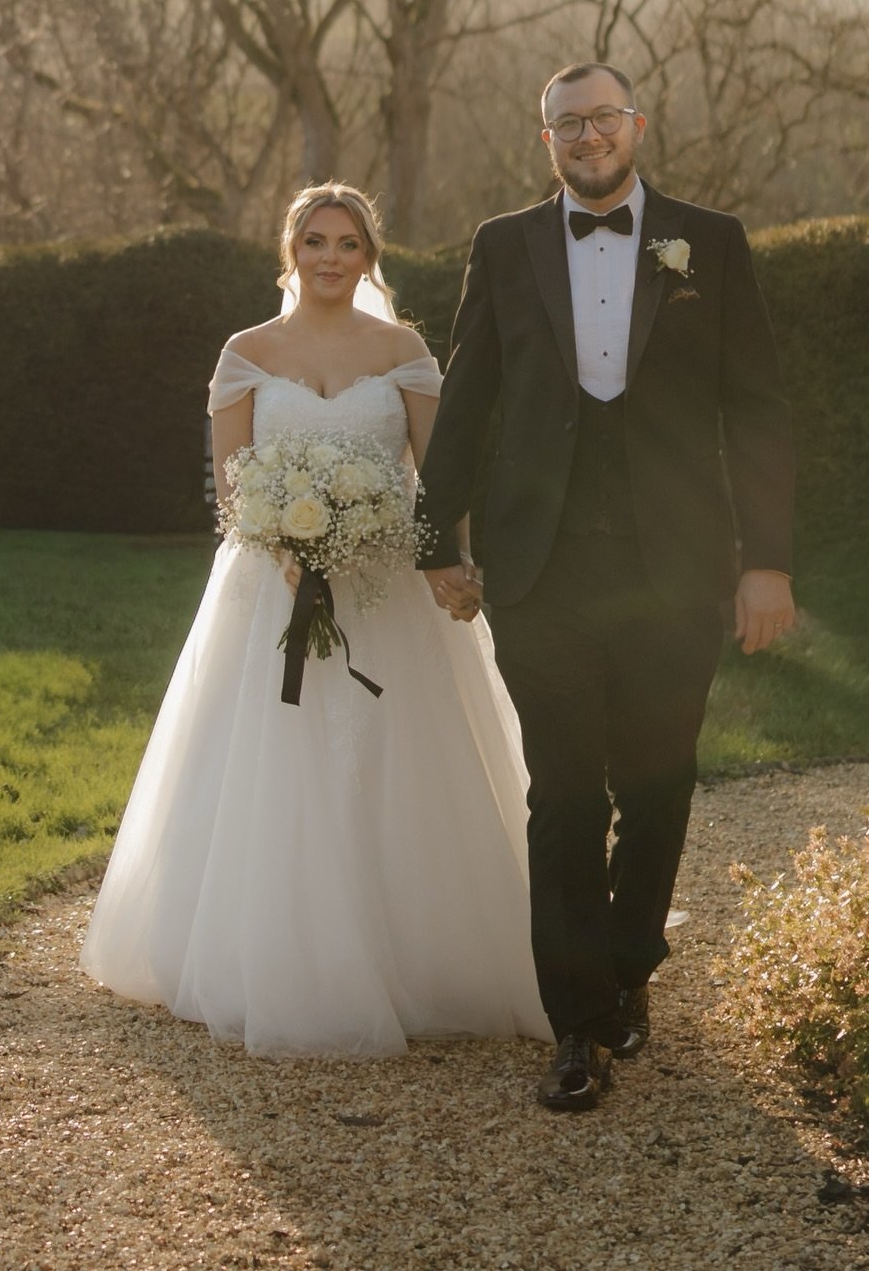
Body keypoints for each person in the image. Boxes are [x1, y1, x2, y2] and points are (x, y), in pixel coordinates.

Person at [80, 183, 550, 1056]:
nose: (331, 258)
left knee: (400, 755)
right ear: (289, 251)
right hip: (271, 583)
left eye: (349, 243)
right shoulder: (246, 352)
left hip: (385, 589)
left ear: (370, 256)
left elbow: (436, 474)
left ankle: (420, 954)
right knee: (273, 755)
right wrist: (289, 552)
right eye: (315, 242)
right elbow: (231, 483)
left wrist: (445, 560)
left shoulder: (403, 348)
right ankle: (278, 955)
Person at [418, 62, 795, 1112]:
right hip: (542, 569)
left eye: (603, 118)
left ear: (636, 125)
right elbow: (469, 398)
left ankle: (630, 960)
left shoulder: (706, 242)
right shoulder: (501, 247)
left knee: (660, 782)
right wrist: (430, 540)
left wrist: (767, 560)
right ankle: (578, 1025)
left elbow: (756, 407)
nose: (587, 136)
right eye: (566, 123)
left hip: (674, 564)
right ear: (546, 140)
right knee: (566, 797)